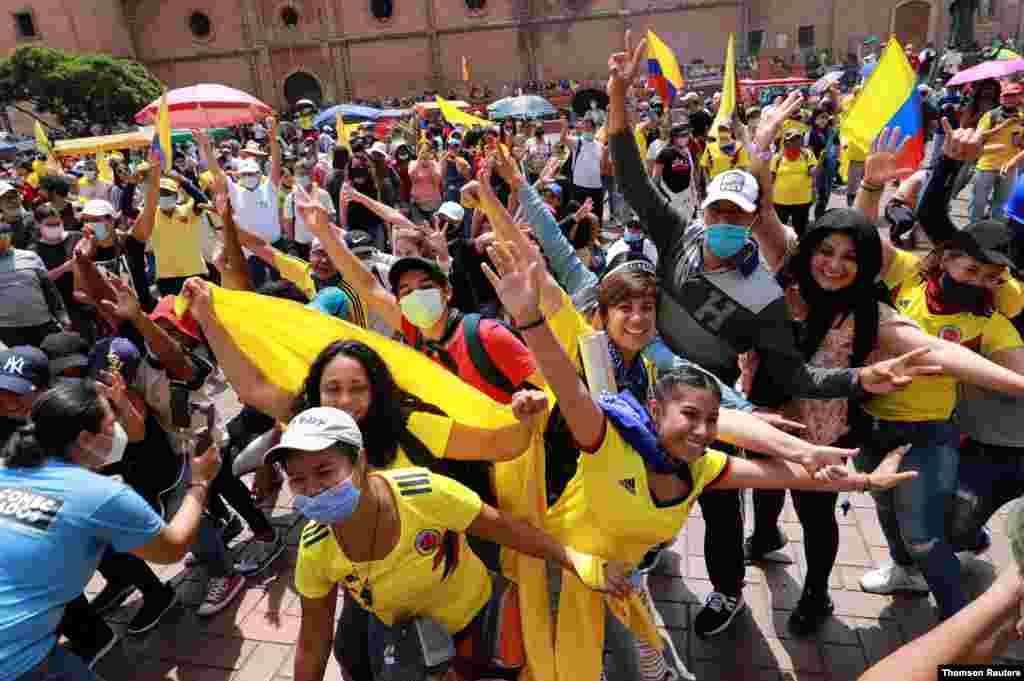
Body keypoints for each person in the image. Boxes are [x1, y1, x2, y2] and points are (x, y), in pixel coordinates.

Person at [607, 34, 937, 639]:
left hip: (717, 404)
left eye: (738, 217)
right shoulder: (679, 236)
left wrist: (859, 378)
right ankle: (676, 556)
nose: (725, 225)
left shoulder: (766, 297)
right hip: (649, 387)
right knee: (664, 485)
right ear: (703, 211)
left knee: (722, 496)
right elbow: (629, 171)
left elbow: (798, 374)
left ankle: (743, 590)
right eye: (717, 213)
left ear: (752, 222)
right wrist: (619, 97)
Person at [479, 232, 916, 680]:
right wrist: (530, 319)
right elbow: (568, 379)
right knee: (550, 627)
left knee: (625, 615)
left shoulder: (680, 424)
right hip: (560, 523)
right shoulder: (602, 413)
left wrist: (848, 475)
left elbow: (723, 422)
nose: (636, 317)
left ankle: (651, 667)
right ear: (600, 314)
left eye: (647, 307)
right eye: (624, 308)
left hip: (620, 551)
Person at [278, 406, 621, 681]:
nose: (312, 489)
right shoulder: (316, 547)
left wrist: (575, 560)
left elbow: (506, 529)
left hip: (479, 624)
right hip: (407, 644)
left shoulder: (423, 494)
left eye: (325, 472)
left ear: (360, 461)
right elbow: (313, 640)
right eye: (297, 479)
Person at [0, 379, 221, 681]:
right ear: (85, 439)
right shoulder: (97, 495)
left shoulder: (8, 467)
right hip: (17, 661)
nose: (117, 430)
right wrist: (200, 483)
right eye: (110, 423)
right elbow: (173, 547)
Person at [0, 217, 68, 348]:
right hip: (7, 330)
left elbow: (49, 289)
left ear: (9, 237)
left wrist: (62, 316)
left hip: (42, 324)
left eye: (4, 237)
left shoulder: (30, 256)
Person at [560, 115, 606, 226]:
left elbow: (602, 167)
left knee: (596, 215)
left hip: (596, 187)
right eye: (585, 128)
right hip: (579, 186)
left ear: (594, 129)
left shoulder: (600, 146)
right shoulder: (577, 142)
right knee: (579, 215)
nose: (587, 130)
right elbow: (563, 139)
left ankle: (596, 236)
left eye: (589, 128)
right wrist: (565, 127)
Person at [771, 128, 817, 236]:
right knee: (780, 231)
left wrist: (818, 167)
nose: (796, 142)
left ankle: (799, 251)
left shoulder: (807, 154)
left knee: (800, 231)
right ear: (786, 142)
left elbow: (812, 172)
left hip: (802, 201)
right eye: (792, 140)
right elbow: (771, 178)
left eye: (798, 139)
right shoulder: (777, 158)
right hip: (780, 201)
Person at [651, 124, 697, 224]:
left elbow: (691, 177)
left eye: (687, 135)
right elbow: (655, 179)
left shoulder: (687, 153)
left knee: (687, 225)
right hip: (671, 196)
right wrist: (664, 198)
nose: (686, 138)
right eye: (683, 135)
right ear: (675, 138)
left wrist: (694, 198)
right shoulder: (665, 153)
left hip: (686, 197)